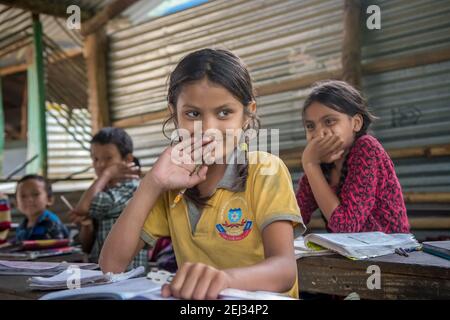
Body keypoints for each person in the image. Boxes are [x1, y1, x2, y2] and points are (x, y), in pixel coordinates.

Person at [99, 48, 305, 299]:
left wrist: (226, 279)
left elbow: (284, 271)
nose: (208, 129)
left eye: (224, 113)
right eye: (193, 114)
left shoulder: (264, 170)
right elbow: (111, 265)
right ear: (174, 114)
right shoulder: (172, 184)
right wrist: (152, 183)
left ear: (247, 114)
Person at [296, 80, 409, 233]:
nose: (318, 133)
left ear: (356, 123)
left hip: (392, 254)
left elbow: (346, 227)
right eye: (310, 126)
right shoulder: (321, 163)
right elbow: (295, 217)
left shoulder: (367, 148)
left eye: (329, 121)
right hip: (352, 256)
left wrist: (310, 165)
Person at [69, 127, 149, 269]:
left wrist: (107, 174)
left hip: (127, 274)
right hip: (100, 271)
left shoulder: (134, 189)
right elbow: (86, 247)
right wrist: (87, 225)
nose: (100, 164)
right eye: (95, 159)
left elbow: (82, 208)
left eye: (108, 158)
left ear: (127, 159)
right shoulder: (101, 190)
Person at [15, 175, 68, 241]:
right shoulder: (22, 226)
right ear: (16, 203)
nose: (29, 199)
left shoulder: (51, 223)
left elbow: (58, 248)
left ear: (49, 200)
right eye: (23, 196)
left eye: (35, 194)